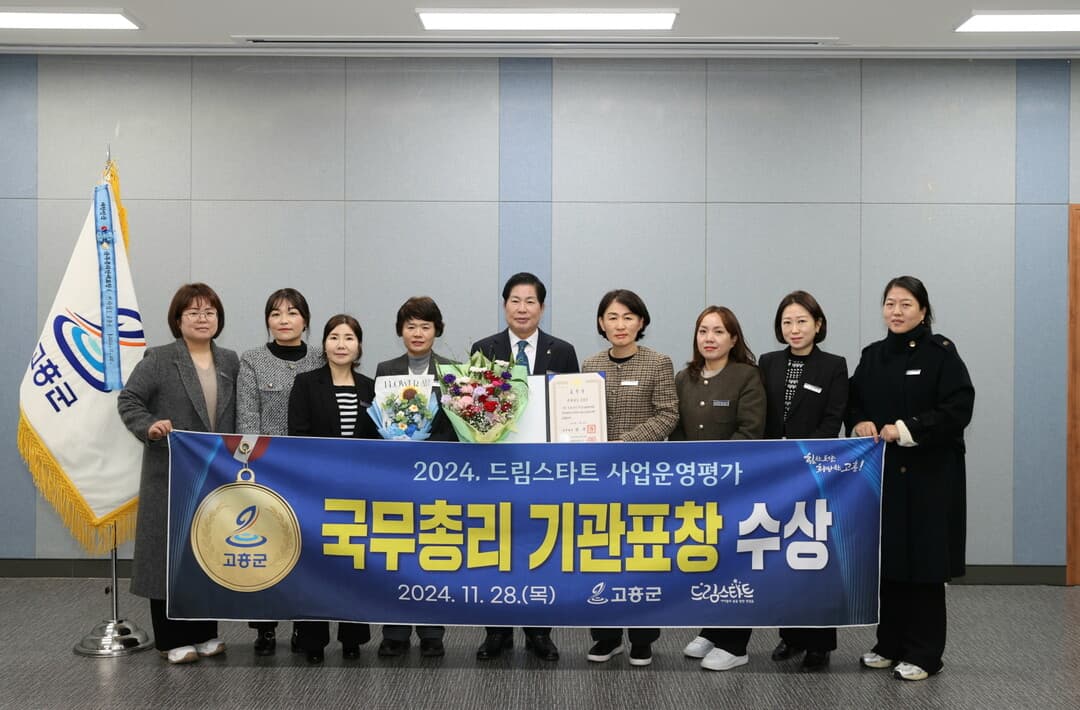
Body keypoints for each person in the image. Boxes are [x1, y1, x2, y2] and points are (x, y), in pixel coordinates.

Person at [847, 276, 974, 682]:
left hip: (929, 476)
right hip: (885, 476)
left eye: (905, 304)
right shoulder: (873, 355)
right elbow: (853, 401)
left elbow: (959, 407)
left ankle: (925, 653)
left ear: (923, 310)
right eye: (890, 303)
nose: (896, 311)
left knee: (925, 564)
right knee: (889, 560)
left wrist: (907, 428)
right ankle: (889, 644)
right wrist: (859, 422)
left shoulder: (942, 354)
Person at [117, 283, 239, 664]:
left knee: (208, 552)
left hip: (215, 476)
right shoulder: (159, 358)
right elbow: (129, 400)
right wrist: (149, 427)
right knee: (168, 557)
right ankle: (170, 639)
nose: (203, 319)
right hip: (169, 473)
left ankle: (205, 633)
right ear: (178, 319)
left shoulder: (230, 360)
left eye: (210, 313)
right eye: (194, 313)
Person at [470, 272, 579, 662]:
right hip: (497, 466)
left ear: (542, 308)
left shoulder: (562, 351)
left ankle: (539, 631)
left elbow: (571, 407)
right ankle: (496, 632)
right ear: (505, 306)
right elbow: (472, 406)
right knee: (496, 547)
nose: (522, 308)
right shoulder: (484, 348)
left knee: (539, 546)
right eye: (515, 301)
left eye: (530, 301)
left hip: (544, 469)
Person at [581, 289, 678, 667]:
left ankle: (642, 638)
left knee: (641, 556)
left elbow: (668, 414)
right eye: (612, 317)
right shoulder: (590, 365)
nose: (620, 325)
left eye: (628, 317)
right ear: (601, 323)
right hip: (599, 477)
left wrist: (626, 443)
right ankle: (606, 637)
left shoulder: (658, 362)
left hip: (642, 474)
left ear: (641, 322)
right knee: (601, 554)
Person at [671, 306, 766, 672]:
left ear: (733, 338)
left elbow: (750, 430)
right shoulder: (685, 377)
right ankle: (711, 629)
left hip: (734, 485)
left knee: (735, 562)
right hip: (694, 485)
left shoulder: (746, 376)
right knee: (708, 558)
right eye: (703, 331)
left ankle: (735, 643)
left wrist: (716, 471)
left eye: (718, 332)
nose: (709, 338)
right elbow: (677, 429)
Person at [759, 291, 847, 672]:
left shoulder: (833, 365)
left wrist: (804, 456)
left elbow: (833, 419)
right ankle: (791, 636)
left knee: (816, 556)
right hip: (775, 473)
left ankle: (820, 644)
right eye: (787, 322)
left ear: (818, 324)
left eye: (801, 321)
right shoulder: (768, 362)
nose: (794, 329)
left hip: (814, 473)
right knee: (783, 554)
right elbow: (762, 415)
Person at [288, 314, 380, 664]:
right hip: (315, 489)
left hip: (359, 490)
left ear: (359, 346)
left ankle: (352, 638)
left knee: (354, 564)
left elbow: (378, 440)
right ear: (324, 343)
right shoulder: (306, 383)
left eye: (349, 338)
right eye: (334, 337)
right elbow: (298, 435)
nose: (341, 344)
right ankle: (312, 639)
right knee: (315, 565)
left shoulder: (370, 387)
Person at [237, 287, 323, 656]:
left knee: (308, 550)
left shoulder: (321, 357)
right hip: (268, 470)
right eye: (275, 313)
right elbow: (247, 418)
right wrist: (252, 465)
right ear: (267, 321)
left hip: (310, 472)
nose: (284, 320)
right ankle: (265, 627)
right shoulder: (252, 360)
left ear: (305, 320)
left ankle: (306, 624)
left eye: (292, 313)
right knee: (267, 549)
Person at [374, 296, 454, 657]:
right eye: (410, 326)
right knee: (397, 551)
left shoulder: (451, 370)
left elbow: (456, 427)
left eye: (425, 326)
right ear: (400, 331)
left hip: (437, 474)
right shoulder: (386, 369)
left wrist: (424, 446)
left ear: (436, 330)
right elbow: (378, 421)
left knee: (433, 551)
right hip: (396, 476)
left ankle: (432, 632)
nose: (418, 333)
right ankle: (395, 632)